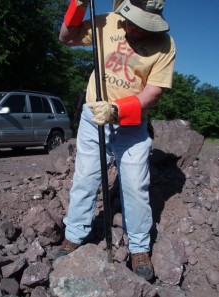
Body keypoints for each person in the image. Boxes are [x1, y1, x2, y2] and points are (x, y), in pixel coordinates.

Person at [57, 0, 176, 281]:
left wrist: (117, 110)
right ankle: (74, 235)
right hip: (92, 117)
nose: (138, 30)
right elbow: (66, 38)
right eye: (135, 22)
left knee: (135, 184)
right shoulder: (107, 21)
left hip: (131, 123)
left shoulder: (165, 44)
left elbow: (155, 91)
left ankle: (138, 248)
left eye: (147, 25)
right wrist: (78, 6)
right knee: (86, 176)